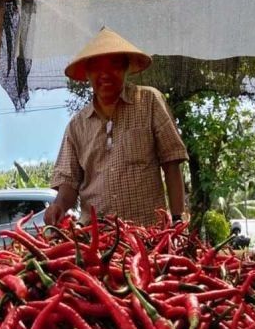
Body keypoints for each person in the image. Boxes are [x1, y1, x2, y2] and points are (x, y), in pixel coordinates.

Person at [44, 27, 188, 227]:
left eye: (114, 65)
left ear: (126, 68)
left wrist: (178, 217)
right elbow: (69, 182)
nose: (105, 74)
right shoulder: (76, 126)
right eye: (96, 67)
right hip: (97, 237)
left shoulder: (148, 101)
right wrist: (58, 206)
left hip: (148, 231)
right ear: (87, 73)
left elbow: (171, 162)